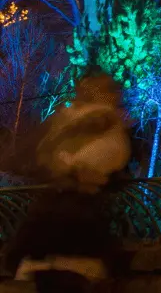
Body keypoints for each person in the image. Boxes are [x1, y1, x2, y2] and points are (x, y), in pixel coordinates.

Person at [2, 71, 132, 293]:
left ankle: (43, 266)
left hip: (73, 202)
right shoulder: (93, 120)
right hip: (74, 203)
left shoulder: (82, 120)